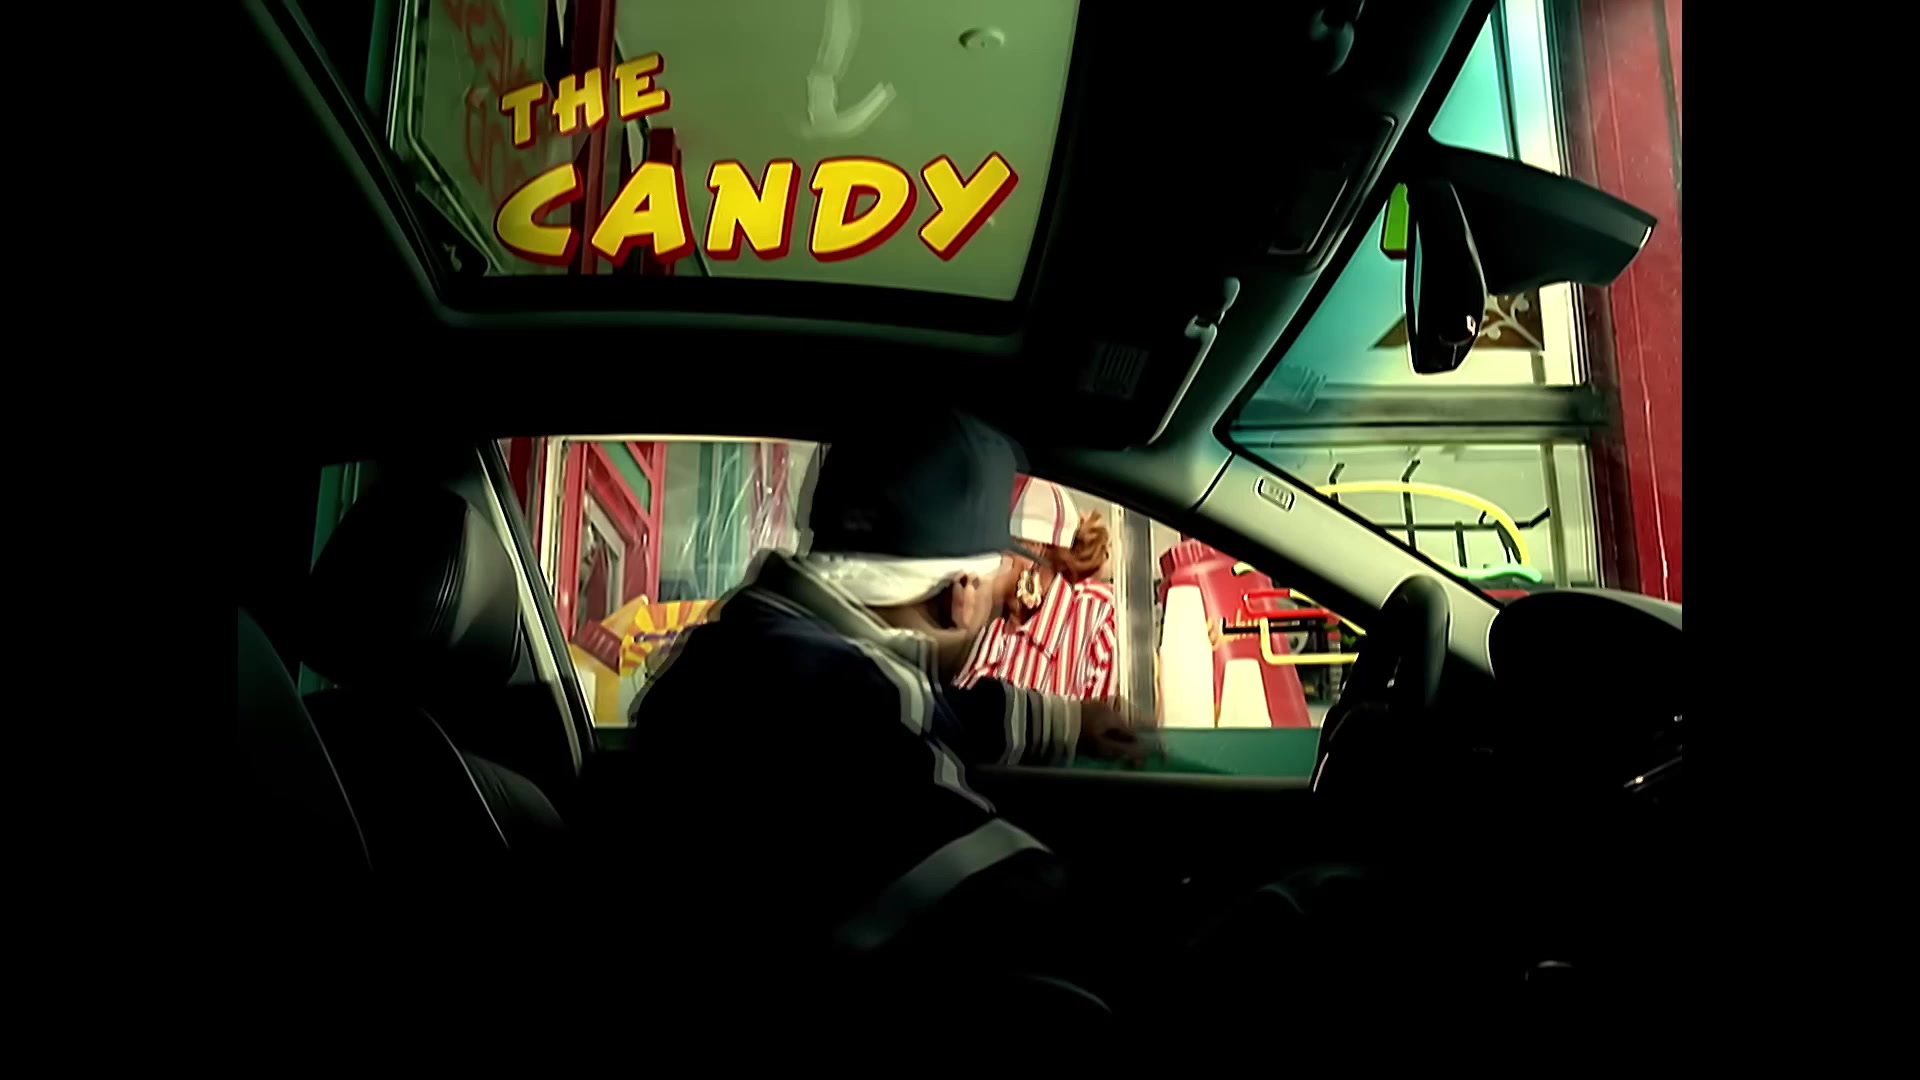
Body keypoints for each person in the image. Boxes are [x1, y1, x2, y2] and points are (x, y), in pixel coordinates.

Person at [625, 412, 1144, 1011]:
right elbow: (1026, 918)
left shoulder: (752, 643)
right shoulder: (845, 719)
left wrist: (1070, 721)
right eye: (1000, 585)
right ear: (962, 593)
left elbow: (937, 706)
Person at [954, 478, 1120, 701]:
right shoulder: (977, 621)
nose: (969, 560)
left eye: (984, 543)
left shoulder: (1099, 627)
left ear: (1032, 550)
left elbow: (1105, 720)